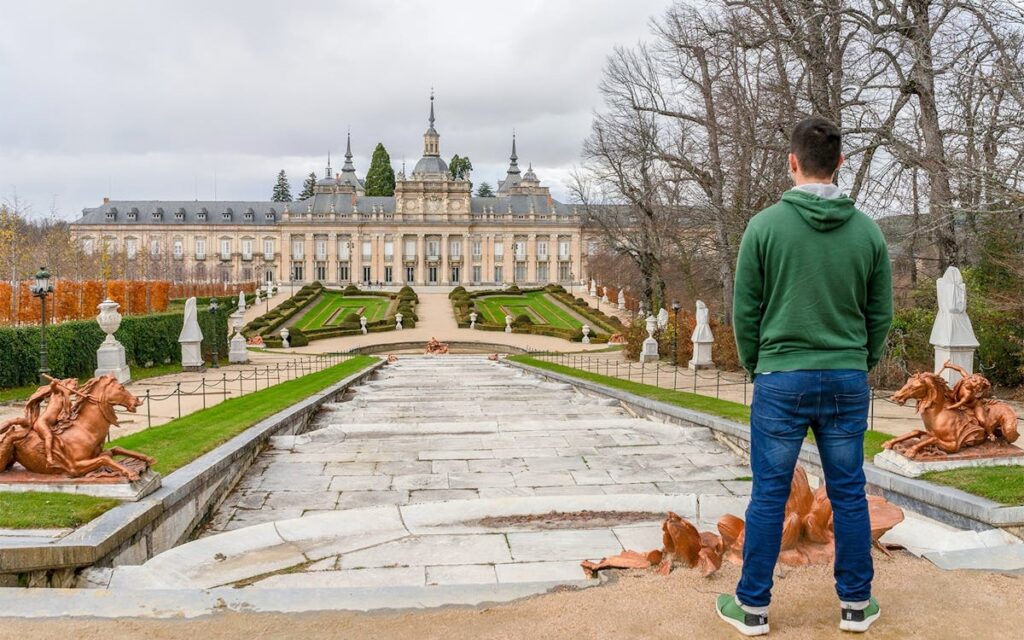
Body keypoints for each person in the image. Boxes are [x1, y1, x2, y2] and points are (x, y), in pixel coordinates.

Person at [719, 117, 893, 636]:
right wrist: (860, 364)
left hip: (781, 377)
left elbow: (744, 311)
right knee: (848, 493)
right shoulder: (867, 231)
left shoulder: (764, 227)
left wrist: (758, 363)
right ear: (840, 163)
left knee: (769, 495)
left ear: (791, 163)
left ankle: (753, 608)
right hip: (844, 377)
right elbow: (879, 315)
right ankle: (856, 605)